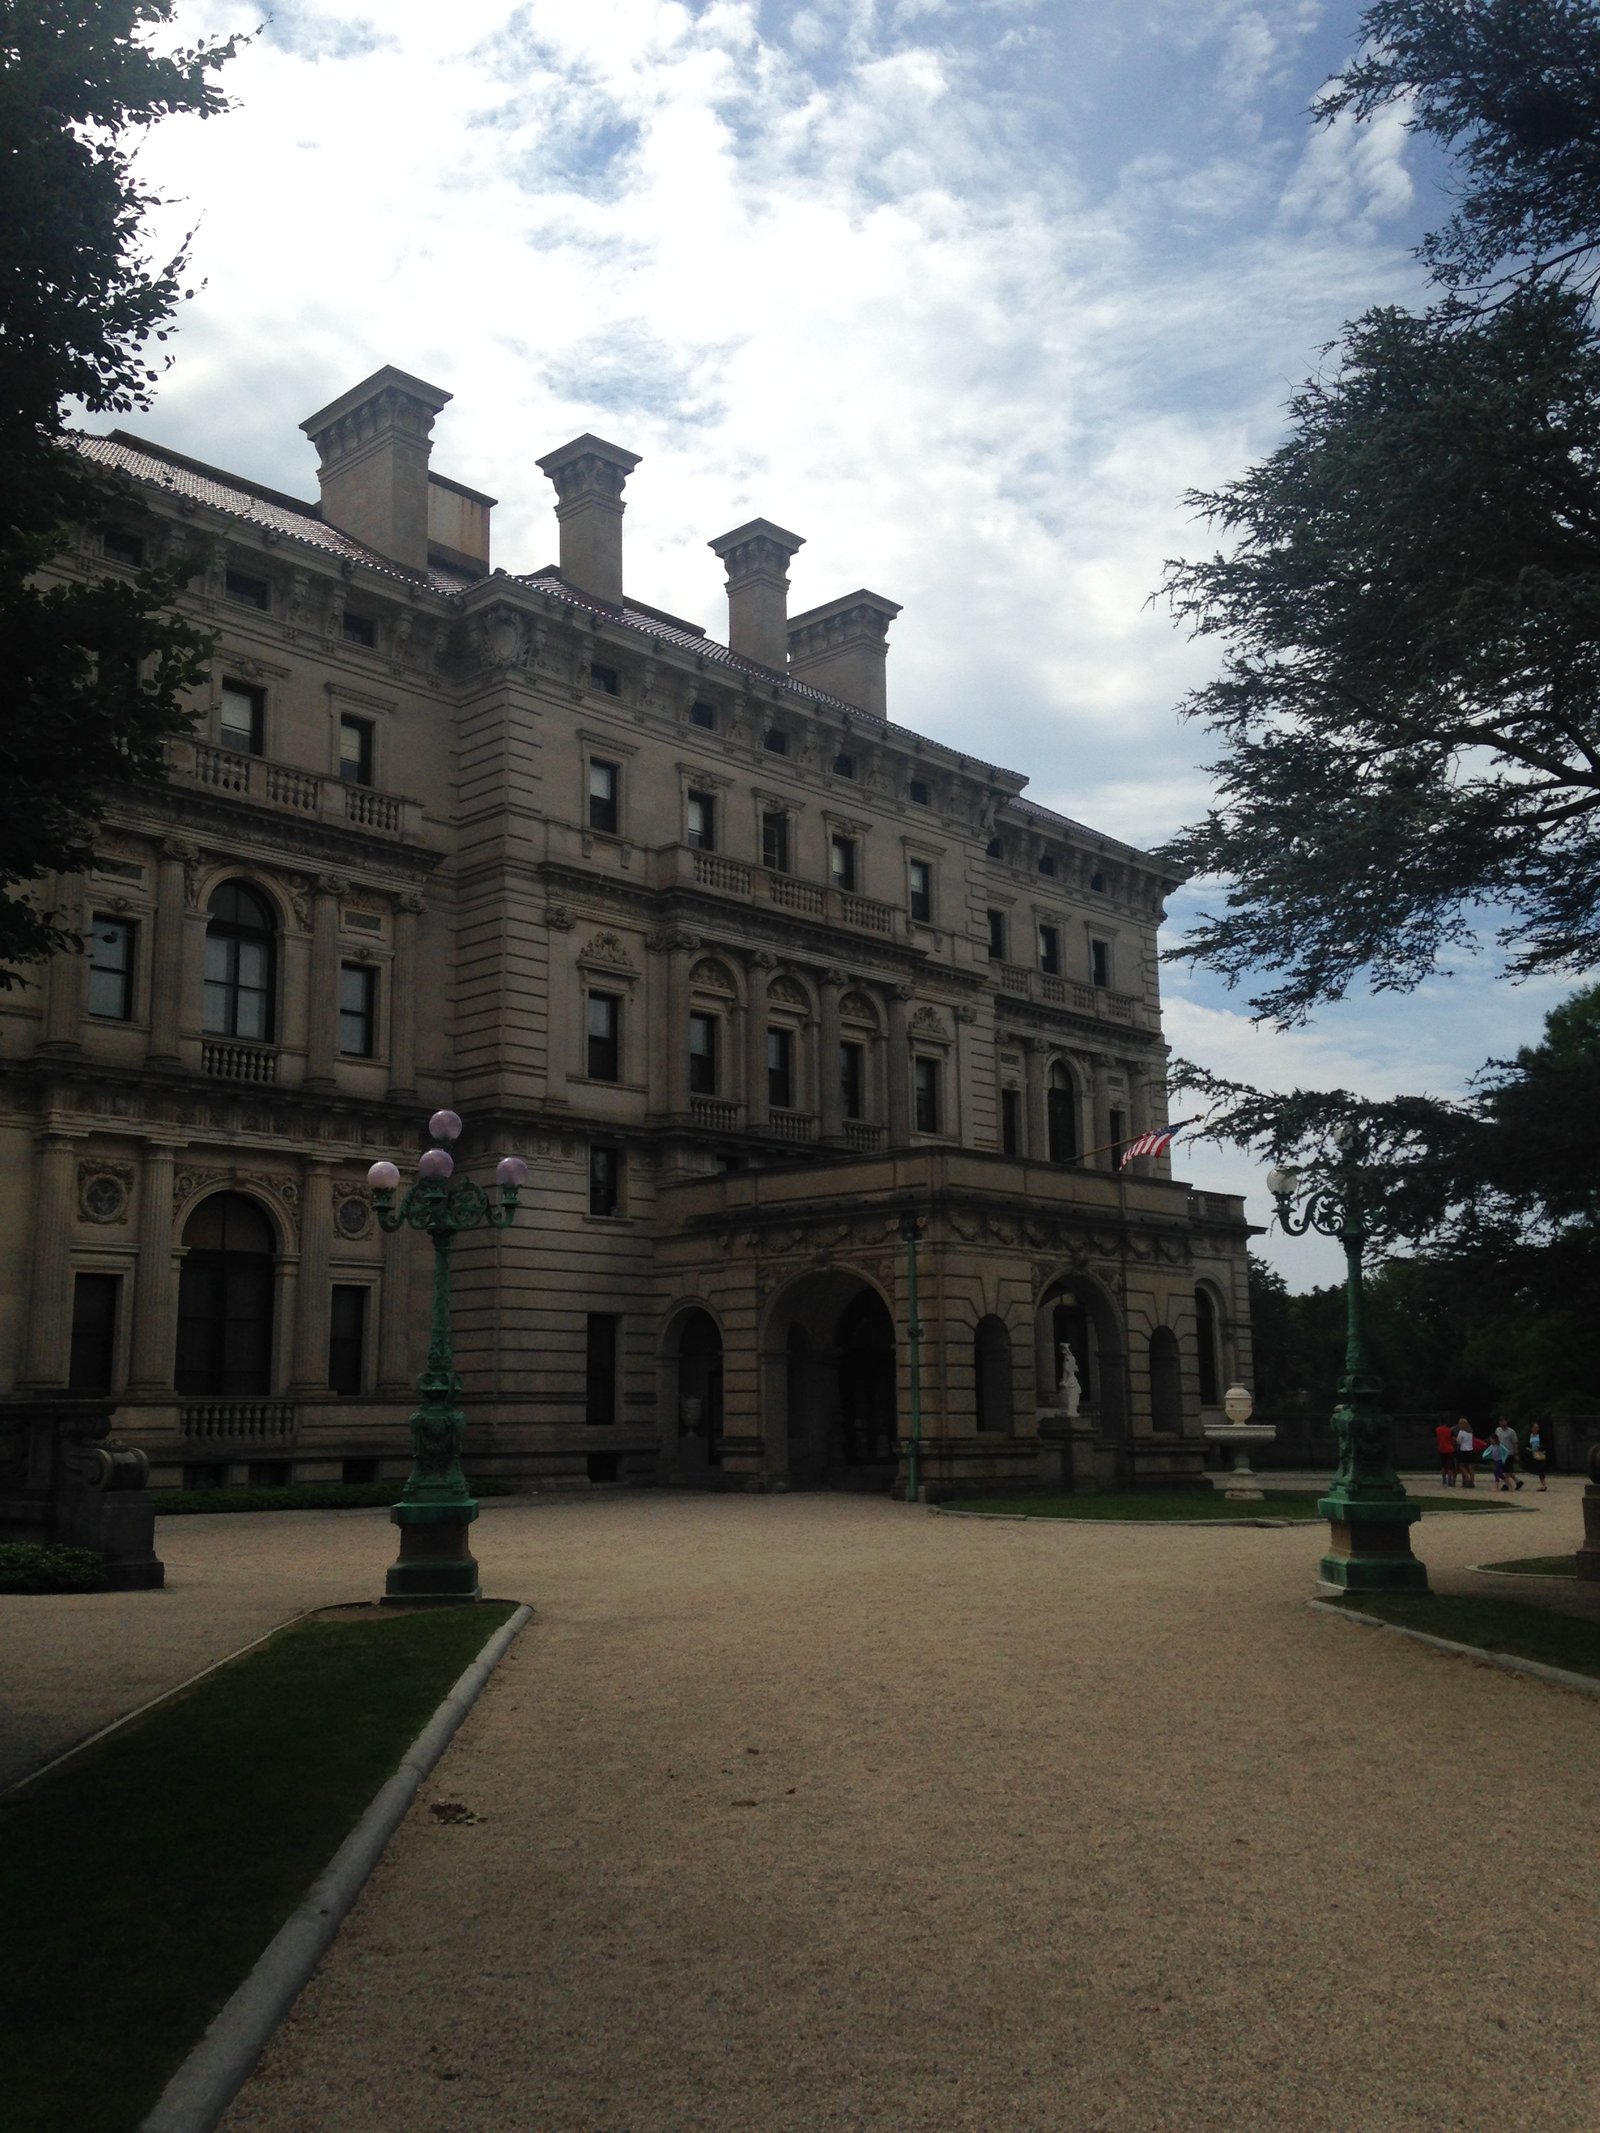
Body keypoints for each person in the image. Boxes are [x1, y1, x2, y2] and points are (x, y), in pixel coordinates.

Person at [1493, 1416, 1525, 1492]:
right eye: (1501, 1421)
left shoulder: (1511, 1432)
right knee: (1507, 1470)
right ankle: (1518, 1481)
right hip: (1500, 1453)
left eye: (1504, 1421)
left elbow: (1515, 1443)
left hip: (1508, 1453)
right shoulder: (1498, 1430)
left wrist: (1516, 1453)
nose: (1502, 1423)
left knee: (1506, 1470)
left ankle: (1506, 1485)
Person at [1526, 1421, 1550, 1492]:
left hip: (1540, 1453)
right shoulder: (1530, 1435)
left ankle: (1543, 1485)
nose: (1536, 1428)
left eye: (1537, 1427)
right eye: (1535, 1427)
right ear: (1532, 1428)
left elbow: (1546, 1443)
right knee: (1537, 1468)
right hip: (1532, 1453)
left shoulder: (1541, 1435)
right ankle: (1543, 1484)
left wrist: (1543, 1448)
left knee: (1541, 1469)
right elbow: (1527, 1444)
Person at [1454, 1418, 1477, 1488]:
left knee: (1461, 1465)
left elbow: (1458, 1441)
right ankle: (1472, 1480)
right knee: (1470, 1466)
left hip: (1463, 1450)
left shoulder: (1461, 1432)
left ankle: (1467, 1476)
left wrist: (1455, 1439)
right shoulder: (1470, 1432)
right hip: (1470, 1450)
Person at [1434, 1419, 1458, 1485]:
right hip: (1449, 1449)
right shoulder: (1449, 1430)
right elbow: (1453, 1440)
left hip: (1441, 1449)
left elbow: (1437, 1438)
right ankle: (1449, 1479)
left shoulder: (1437, 1430)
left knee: (1443, 1466)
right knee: (1450, 1466)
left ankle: (1444, 1479)